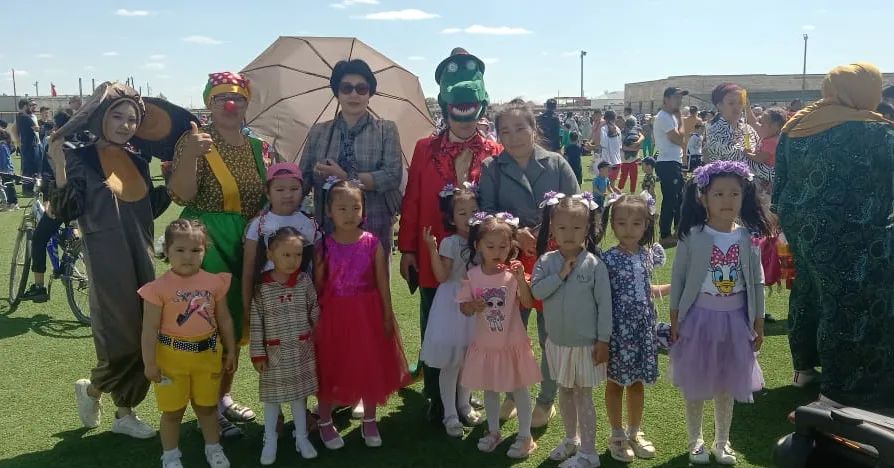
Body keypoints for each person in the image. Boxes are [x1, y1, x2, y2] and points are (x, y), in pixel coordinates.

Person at [51, 81, 194, 440]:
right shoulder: (80, 157)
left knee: (147, 331)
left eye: (132, 119)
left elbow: (150, 207)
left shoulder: (137, 160)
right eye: (118, 116)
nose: (126, 125)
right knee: (123, 337)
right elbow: (65, 209)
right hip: (106, 261)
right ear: (100, 116)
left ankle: (96, 392)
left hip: (142, 255)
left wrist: (179, 169)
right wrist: (59, 163)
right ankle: (123, 410)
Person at [774, 63, 894, 410]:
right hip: (855, 232)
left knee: (809, 290)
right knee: (850, 303)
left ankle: (803, 368)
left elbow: (781, 184)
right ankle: (841, 388)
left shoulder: (796, 126)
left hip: (803, 227)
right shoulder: (875, 131)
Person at [399, 47, 501, 422]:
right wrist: (408, 249)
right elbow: (412, 200)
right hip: (435, 258)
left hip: (477, 259)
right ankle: (436, 397)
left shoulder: (494, 152)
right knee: (435, 326)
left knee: (476, 327)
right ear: (444, 102)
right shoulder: (424, 148)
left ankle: (466, 394)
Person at [169, 72, 270, 436]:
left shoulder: (258, 146)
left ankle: (222, 397)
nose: (230, 105)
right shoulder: (194, 140)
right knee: (207, 322)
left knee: (235, 324)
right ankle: (206, 408)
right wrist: (190, 157)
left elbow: (265, 195)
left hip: (246, 242)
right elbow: (181, 194)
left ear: (247, 104)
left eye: (238, 98)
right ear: (209, 104)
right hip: (205, 241)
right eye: (221, 98)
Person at [478, 98, 580, 428]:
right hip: (509, 262)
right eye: (505, 131)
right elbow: (484, 211)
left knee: (550, 335)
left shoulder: (557, 164)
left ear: (534, 129)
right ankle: (513, 392)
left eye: (520, 128)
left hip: (553, 262)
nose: (514, 137)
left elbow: (579, 209)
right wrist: (513, 230)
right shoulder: (492, 168)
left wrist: (551, 234)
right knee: (511, 332)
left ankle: (547, 399)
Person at [670, 161, 770, 465]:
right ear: (703, 198)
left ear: (744, 196)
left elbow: (757, 281)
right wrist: (675, 317)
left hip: (735, 322)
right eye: (719, 194)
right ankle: (695, 441)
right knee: (697, 384)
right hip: (699, 320)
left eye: (734, 193)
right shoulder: (693, 235)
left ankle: (722, 442)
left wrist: (759, 322)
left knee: (727, 385)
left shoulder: (748, 237)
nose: (727, 200)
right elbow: (679, 278)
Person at [313, 179, 411, 450]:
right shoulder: (324, 246)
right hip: (334, 316)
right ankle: (324, 421)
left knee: (368, 364)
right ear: (329, 211)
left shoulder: (372, 243)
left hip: (367, 315)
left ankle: (369, 419)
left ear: (364, 211)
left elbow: (383, 283)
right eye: (341, 208)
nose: (349, 214)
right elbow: (318, 286)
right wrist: (317, 319)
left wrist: (387, 315)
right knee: (330, 366)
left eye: (355, 207)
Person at [139, 220, 237, 468]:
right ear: (166, 250)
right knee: (172, 412)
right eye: (180, 250)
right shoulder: (158, 288)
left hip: (208, 356)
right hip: (171, 360)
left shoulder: (214, 282)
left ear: (205, 251)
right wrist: (149, 362)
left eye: (196, 250)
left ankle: (213, 448)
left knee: (207, 408)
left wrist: (231, 350)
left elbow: (224, 318)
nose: (188, 256)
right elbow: (149, 328)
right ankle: (171, 456)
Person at [531, 193, 611, 468]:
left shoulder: (594, 265)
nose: (569, 234)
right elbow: (536, 291)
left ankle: (589, 453)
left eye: (576, 227)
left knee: (583, 396)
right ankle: (570, 439)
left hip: (585, 346)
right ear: (552, 228)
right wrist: (560, 275)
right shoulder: (546, 262)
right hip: (557, 343)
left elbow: (605, 306)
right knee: (564, 392)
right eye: (562, 227)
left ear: (587, 229)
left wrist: (603, 340)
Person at [300, 59, 403, 258]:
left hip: (375, 228)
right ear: (337, 93)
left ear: (370, 94)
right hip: (327, 229)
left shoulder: (386, 130)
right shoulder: (319, 132)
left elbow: (391, 176)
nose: (354, 94)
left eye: (361, 89)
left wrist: (346, 177)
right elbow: (303, 179)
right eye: (346, 88)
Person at [458, 212, 541, 458]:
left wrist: (520, 279)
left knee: (519, 389)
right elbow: (464, 308)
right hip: (486, 346)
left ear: (511, 246)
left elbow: (528, 302)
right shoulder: (472, 276)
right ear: (478, 246)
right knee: (490, 390)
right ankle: (493, 431)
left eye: (503, 247)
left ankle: (525, 436)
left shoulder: (512, 275)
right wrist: (472, 306)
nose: (497, 251)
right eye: (490, 246)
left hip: (512, 344)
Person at [600, 193, 668, 463]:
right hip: (618, 333)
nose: (629, 230)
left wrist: (674, 287)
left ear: (646, 225)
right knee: (616, 383)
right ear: (612, 225)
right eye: (621, 223)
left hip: (643, 331)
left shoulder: (647, 255)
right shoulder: (607, 259)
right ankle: (617, 434)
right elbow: (602, 299)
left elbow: (647, 289)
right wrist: (602, 337)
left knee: (638, 383)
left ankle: (634, 431)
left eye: (636, 223)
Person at [249, 227, 319, 465]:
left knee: (299, 398)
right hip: (274, 355)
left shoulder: (304, 281)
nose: (292, 261)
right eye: (286, 255)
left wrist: (322, 335)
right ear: (270, 255)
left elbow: (314, 310)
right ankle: (270, 440)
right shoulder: (262, 286)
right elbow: (256, 321)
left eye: (297, 255)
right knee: (272, 400)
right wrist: (258, 353)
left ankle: (302, 437)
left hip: (301, 351)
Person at [419, 184, 483, 437]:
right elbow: (442, 276)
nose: (469, 218)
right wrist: (432, 249)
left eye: (474, 211)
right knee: (451, 362)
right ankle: (449, 413)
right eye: (462, 213)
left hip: (475, 304)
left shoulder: (482, 240)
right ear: (451, 218)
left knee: (470, 358)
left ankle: (464, 404)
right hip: (452, 305)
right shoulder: (450, 242)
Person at [242, 162, 318, 318]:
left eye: (294, 189)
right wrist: (247, 306)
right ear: (268, 193)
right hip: (268, 301)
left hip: (301, 300)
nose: (288, 195)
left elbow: (317, 265)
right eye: (280, 190)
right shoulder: (259, 225)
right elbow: (248, 267)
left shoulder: (309, 224)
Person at [21, 111, 74, 302]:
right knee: (73, 229)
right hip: (89, 199)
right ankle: (71, 252)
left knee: (39, 238)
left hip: (64, 198)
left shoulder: (54, 143)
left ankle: (39, 287)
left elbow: (50, 176)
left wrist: (49, 199)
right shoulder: (84, 142)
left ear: (56, 127)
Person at [705, 83, 773, 192]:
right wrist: (773, 175)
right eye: (731, 103)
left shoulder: (748, 129)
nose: (737, 107)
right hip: (730, 191)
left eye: (741, 102)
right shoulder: (715, 131)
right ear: (719, 105)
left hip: (755, 190)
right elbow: (742, 160)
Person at [653, 87, 688, 247]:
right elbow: (679, 139)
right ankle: (665, 235)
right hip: (667, 163)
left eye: (680, 98)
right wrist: (681, 121)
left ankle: (677, 231)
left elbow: (680, 139)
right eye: (676, 97)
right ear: (666, 99)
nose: (679, 101)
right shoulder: (664, 117)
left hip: (673, 161)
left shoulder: (669, 116)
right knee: (670, 199)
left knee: (679, 198)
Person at [16, 98, 41, 195]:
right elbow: (36, 129)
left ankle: (26, 188)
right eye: (28, 106)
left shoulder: (19, 117)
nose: (30, 107)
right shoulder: (26, 118)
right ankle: (28, 189)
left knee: (27, 167)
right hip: (30, 145)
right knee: (30, 168)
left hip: (25, 145)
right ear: (25, 106)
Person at [595, 110, 622, 181]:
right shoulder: (618, 129)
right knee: (611, 184)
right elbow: (620, 146)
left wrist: (593, 147)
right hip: (617, 161)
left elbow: (603, 144)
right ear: (614, 118)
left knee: (605, 184)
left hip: (606, 162)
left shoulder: (603, 129)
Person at [619, 117, 644, 193]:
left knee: (632, 176)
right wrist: (634, 148)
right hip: (626, 159)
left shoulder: (634, 131)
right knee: (625, 176)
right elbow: (622, 147)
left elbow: (642, 137)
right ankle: (619, 190)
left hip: (631, 159)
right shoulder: (622, 133)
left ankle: (630, 191)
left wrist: (637, 143)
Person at [0, 129, 17, 210]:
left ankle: (13, 203)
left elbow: (4, 159)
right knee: (7, 186)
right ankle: (10, 202)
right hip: (5, 169)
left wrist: (3, 170)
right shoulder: (4, 145)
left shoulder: (2, 146)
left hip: (6, 170)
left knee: (9, 186)